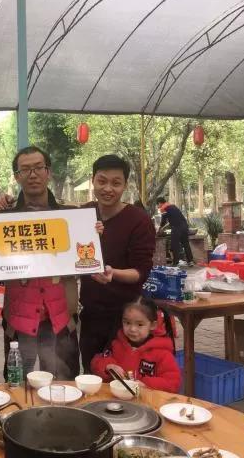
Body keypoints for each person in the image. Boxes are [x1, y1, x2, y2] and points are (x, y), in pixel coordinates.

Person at [0, 146, 91, 380]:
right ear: (16, 176)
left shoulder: (70, 216)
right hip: (20, 319)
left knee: (63, 384)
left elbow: (85, 258)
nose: (33, 174)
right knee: (19, 384)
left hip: (60, 317)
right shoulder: (4, 219)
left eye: (39, 168)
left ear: (48, 172)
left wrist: (93, 233)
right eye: (25, 170)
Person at [79, 155, 156, 372]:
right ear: (93, 181)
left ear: (125, 185)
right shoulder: (84, 214)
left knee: (124, 378)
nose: (108, 189)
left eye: (116, 183)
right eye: (102, 181)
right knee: (92, 374)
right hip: (91, 315)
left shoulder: (138, 220)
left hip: (126, 319)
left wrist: (114, 274)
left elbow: (141, 272)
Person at [90, 296, 181, 393]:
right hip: (116, 397)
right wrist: (108, 366)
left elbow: (173, 383)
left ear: (153, 325)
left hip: (147, 399)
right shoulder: (117, 344)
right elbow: (96, 362)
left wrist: (146, 384)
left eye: (140, 324)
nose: (132, 329)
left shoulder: (162, 353)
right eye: (127, 323)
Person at [156, 197, 194, 267]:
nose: (157, 207)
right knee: (186, 244)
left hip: (177, 227)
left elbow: (163, 221)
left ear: (160, 203)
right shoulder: (173, 206)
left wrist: (160, 229)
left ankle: (175, 262)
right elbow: (173, 219)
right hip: (184, 226)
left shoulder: (163, 208)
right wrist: (163, 228)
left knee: (174, 244)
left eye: (157, 205)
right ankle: (190, 261)